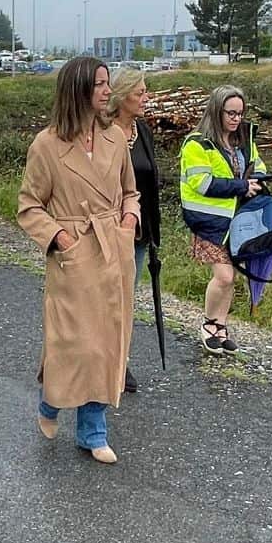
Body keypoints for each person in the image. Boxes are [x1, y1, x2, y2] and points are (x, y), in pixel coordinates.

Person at [18, 56, 140, 464]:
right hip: (73, 253)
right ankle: (52, 399)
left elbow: (130, 191)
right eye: (100, 84)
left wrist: (128, 220)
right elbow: (29, 206)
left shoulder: (116, 139)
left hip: (113, 249)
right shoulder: (46, 145)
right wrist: (61, 238)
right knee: (73, 340)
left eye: (108, 83)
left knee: (107, 345)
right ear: (79, 90)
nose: (108, 91)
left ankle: (93, 430)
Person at [178, 84, 265, 355]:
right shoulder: (197, 144)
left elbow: (259, 167)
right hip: (209, 223)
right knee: (224, 276)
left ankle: (221, 326)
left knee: (233, 276)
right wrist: (241, 187)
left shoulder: (242, 142)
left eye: (240, 114)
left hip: (237, 222)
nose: (236, 119)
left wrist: (259, 180)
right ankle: (208, 324)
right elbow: (202, 183)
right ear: (216, 111)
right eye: (231, 113)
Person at [107, 66, 161, 393]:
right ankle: (99, 360)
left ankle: (119, 361)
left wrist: (153, 231)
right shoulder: (101, 132)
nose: (146, 97)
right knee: (105, 300)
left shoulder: (142, 130)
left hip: (138, 233)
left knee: (126, 299)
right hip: (105, 232)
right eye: (140, 92)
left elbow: (152, 183)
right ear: (121, 95)